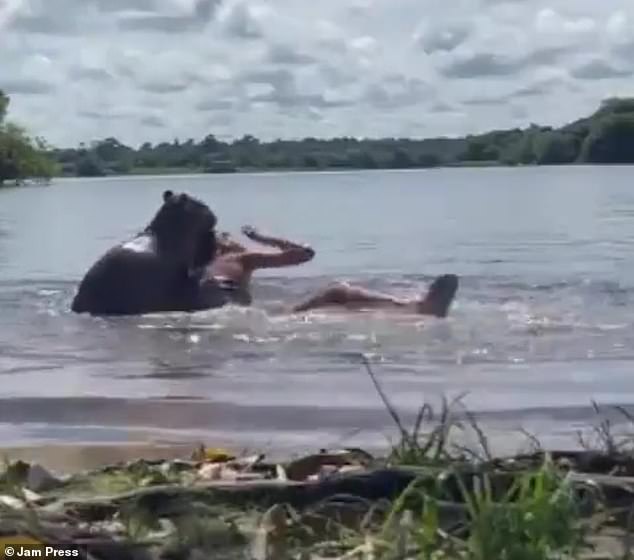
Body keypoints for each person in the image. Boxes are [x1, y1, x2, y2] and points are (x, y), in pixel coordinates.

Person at [200, 225, 315, 305]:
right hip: (228, 297)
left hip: (201, 296)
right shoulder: (242, 258)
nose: (239, 242)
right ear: (223, 245)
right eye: (232, 239)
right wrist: (260, 237)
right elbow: (305, 254)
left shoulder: (200, 264)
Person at [291, 274, 459, 317]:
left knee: (293, 313)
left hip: (342, 294)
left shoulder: (418, 308)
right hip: (341, 295)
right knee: (293, 313)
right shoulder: (418, 311)